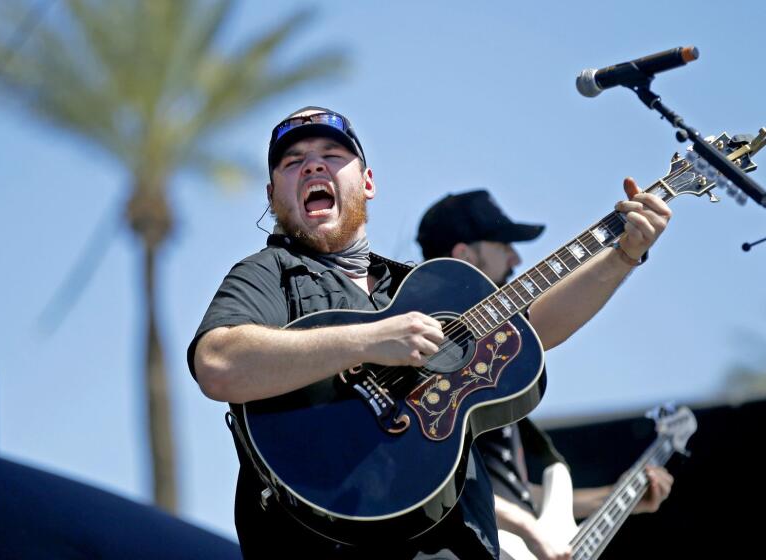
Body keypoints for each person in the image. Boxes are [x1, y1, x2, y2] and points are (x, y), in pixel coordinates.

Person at [187, 106, 672, 558]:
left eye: (333, 155)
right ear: (272, 196)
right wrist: (370, 339)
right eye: (293, 162)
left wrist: (623, 254)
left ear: (368, 182)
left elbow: (534, 328)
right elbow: (218, 363)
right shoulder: (269, 272)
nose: (314, 167)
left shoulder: (426, 286)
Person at [416, 190, 675, 560]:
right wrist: (526, 527)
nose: (515, 257)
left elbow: (501, 490)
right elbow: (428, 479)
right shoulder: (428, 358)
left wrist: (614, 498)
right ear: (463, 256)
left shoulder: (496, 367)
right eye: (503, 244)